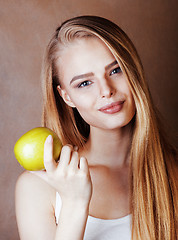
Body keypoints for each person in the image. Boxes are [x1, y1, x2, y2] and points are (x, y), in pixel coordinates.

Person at [15, 15, 177, 240]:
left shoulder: (173, 173)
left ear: (134, 71)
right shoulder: (38, 187)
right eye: (84, 83)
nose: (106, 90)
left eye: (115, 70)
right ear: (66, 96)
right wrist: (74, 203)